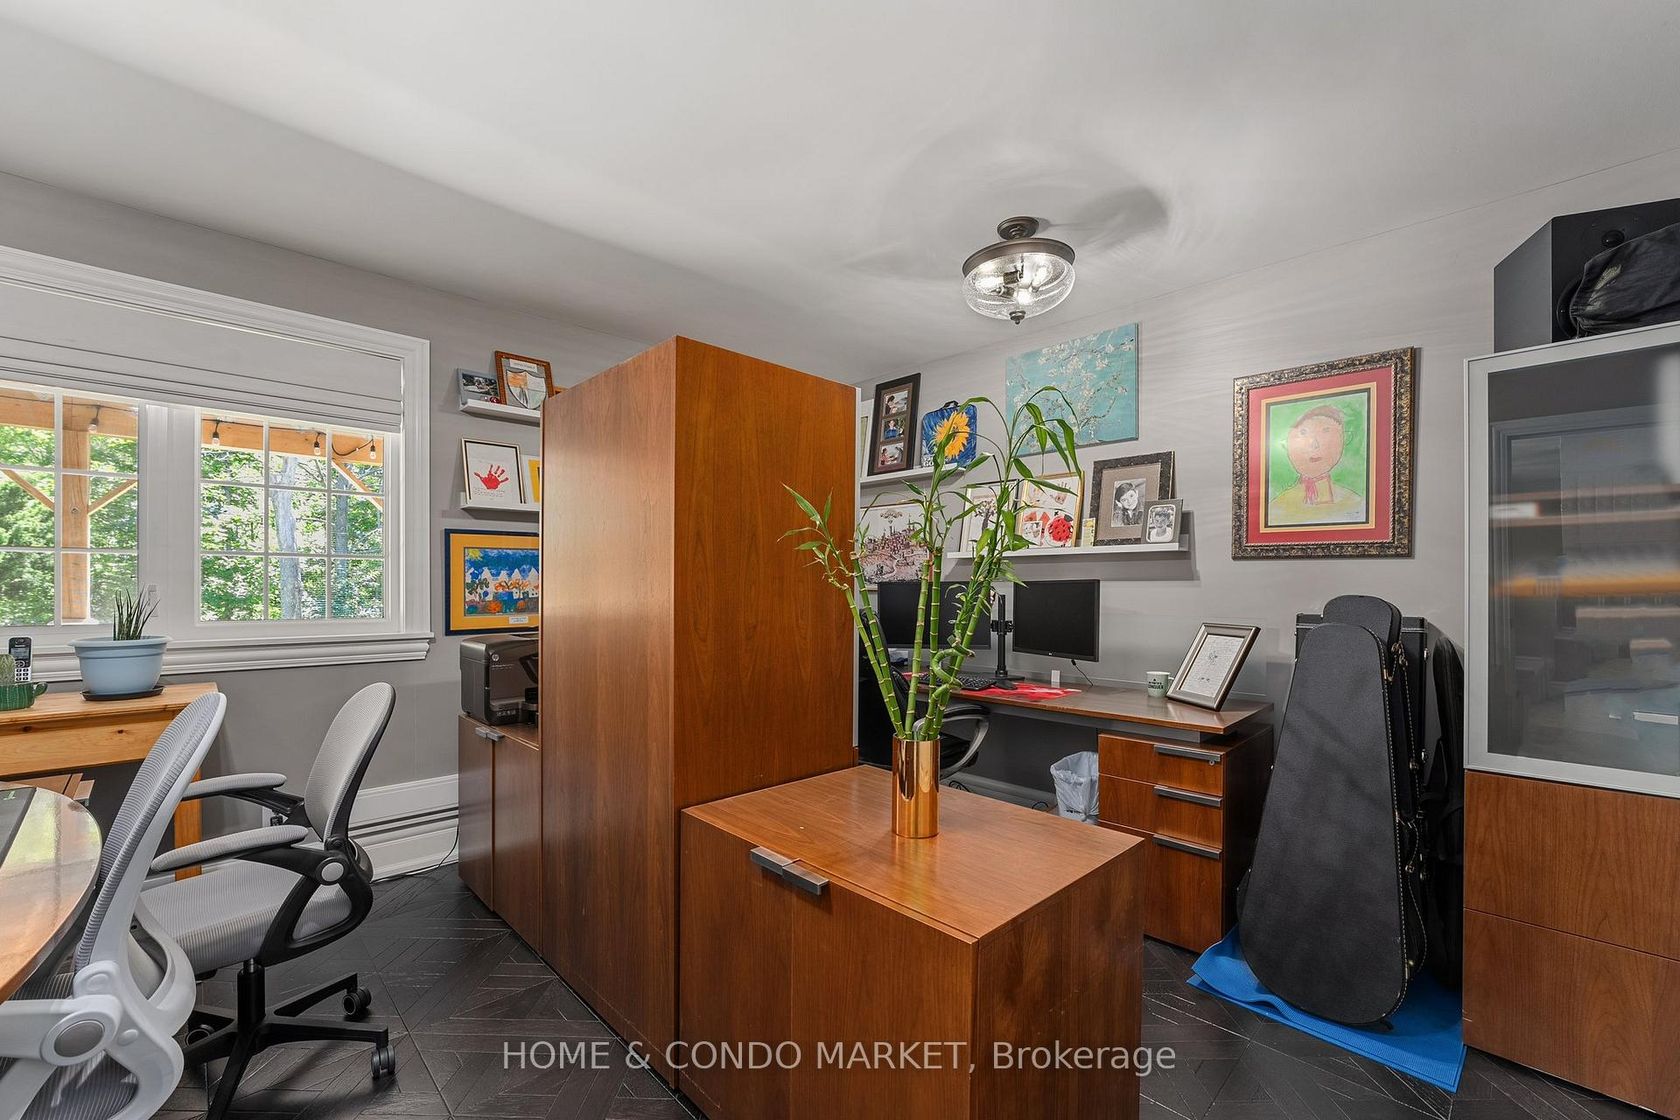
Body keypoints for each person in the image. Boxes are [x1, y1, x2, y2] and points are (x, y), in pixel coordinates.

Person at [1268, 404, 1367, 525]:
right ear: (1284, 444)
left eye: (1326, 431)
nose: (1314, 444)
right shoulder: (1276, 509)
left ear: (1344, 437)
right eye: (1303, 432)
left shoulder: (1356, 504)